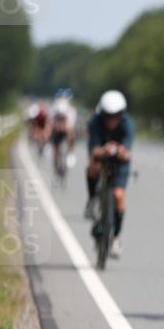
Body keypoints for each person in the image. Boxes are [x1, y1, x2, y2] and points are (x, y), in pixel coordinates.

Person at [85, 90, 134, 259]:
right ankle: (92, 199)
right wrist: (103, 150)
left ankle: (116, 237)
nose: (111, 120)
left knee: (119, 195)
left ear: (121, 114)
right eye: (108, 115)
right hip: (102, 157)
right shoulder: (95, 122)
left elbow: (128, 152)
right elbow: (94, 149)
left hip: (120, 162)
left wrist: (121, 151)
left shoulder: (128, 124)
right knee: (93, 167)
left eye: (116, 116)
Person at [49, 93, 78, 178]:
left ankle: (70, 152)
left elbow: (71, 126)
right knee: (56, 150)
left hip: (66, 130)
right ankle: (56, 170)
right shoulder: (54, 110)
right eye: (59, 117)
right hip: (57, 131)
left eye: (63, 117)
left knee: (72, 135)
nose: (61, 118)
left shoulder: (71, 112)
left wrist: (65, 129)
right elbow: (51, 125)